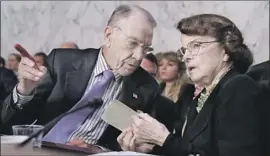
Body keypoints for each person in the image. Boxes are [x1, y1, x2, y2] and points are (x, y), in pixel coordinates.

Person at [0, 5, 175, 151]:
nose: (139, 56)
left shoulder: (146, 87)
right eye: (132, 44)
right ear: (108, 35)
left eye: (146, 49)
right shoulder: (62, 63)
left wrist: (98, 150)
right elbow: (11, 122)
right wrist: (24, 90)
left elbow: (132, 144)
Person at [117, 14, 266, 156]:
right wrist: (152, 148)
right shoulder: (201, 96)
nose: (186, 57)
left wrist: (163, 139)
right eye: (184, 50)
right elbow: (191, 150)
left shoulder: (239, 87)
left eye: (196, 46)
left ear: (226, 50)